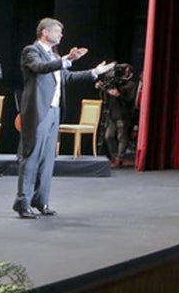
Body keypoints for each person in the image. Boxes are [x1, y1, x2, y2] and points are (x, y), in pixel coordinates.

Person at [13, 17, 114, 218]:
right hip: (38, 110)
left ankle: (41, 201)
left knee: (48, 158)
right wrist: (67, 59)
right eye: (58, 31)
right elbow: (40, 68)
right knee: (32, 156)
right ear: (45, 32)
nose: (61, 35)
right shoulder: (31, 51)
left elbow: (67, 77)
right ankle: (22, 203)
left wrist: (95, 72)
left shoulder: (54, 54)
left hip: (54, 110)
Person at [97, 62, 138, 167]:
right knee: (108, 136)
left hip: (123, 115)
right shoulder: (114, 82)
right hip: (112, 114)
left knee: (122, 137)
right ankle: (115, 156)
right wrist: (102, 87)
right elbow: (108, 91)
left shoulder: (130, 85)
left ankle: (119, 159)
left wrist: (118, 94)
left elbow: (127, 98)